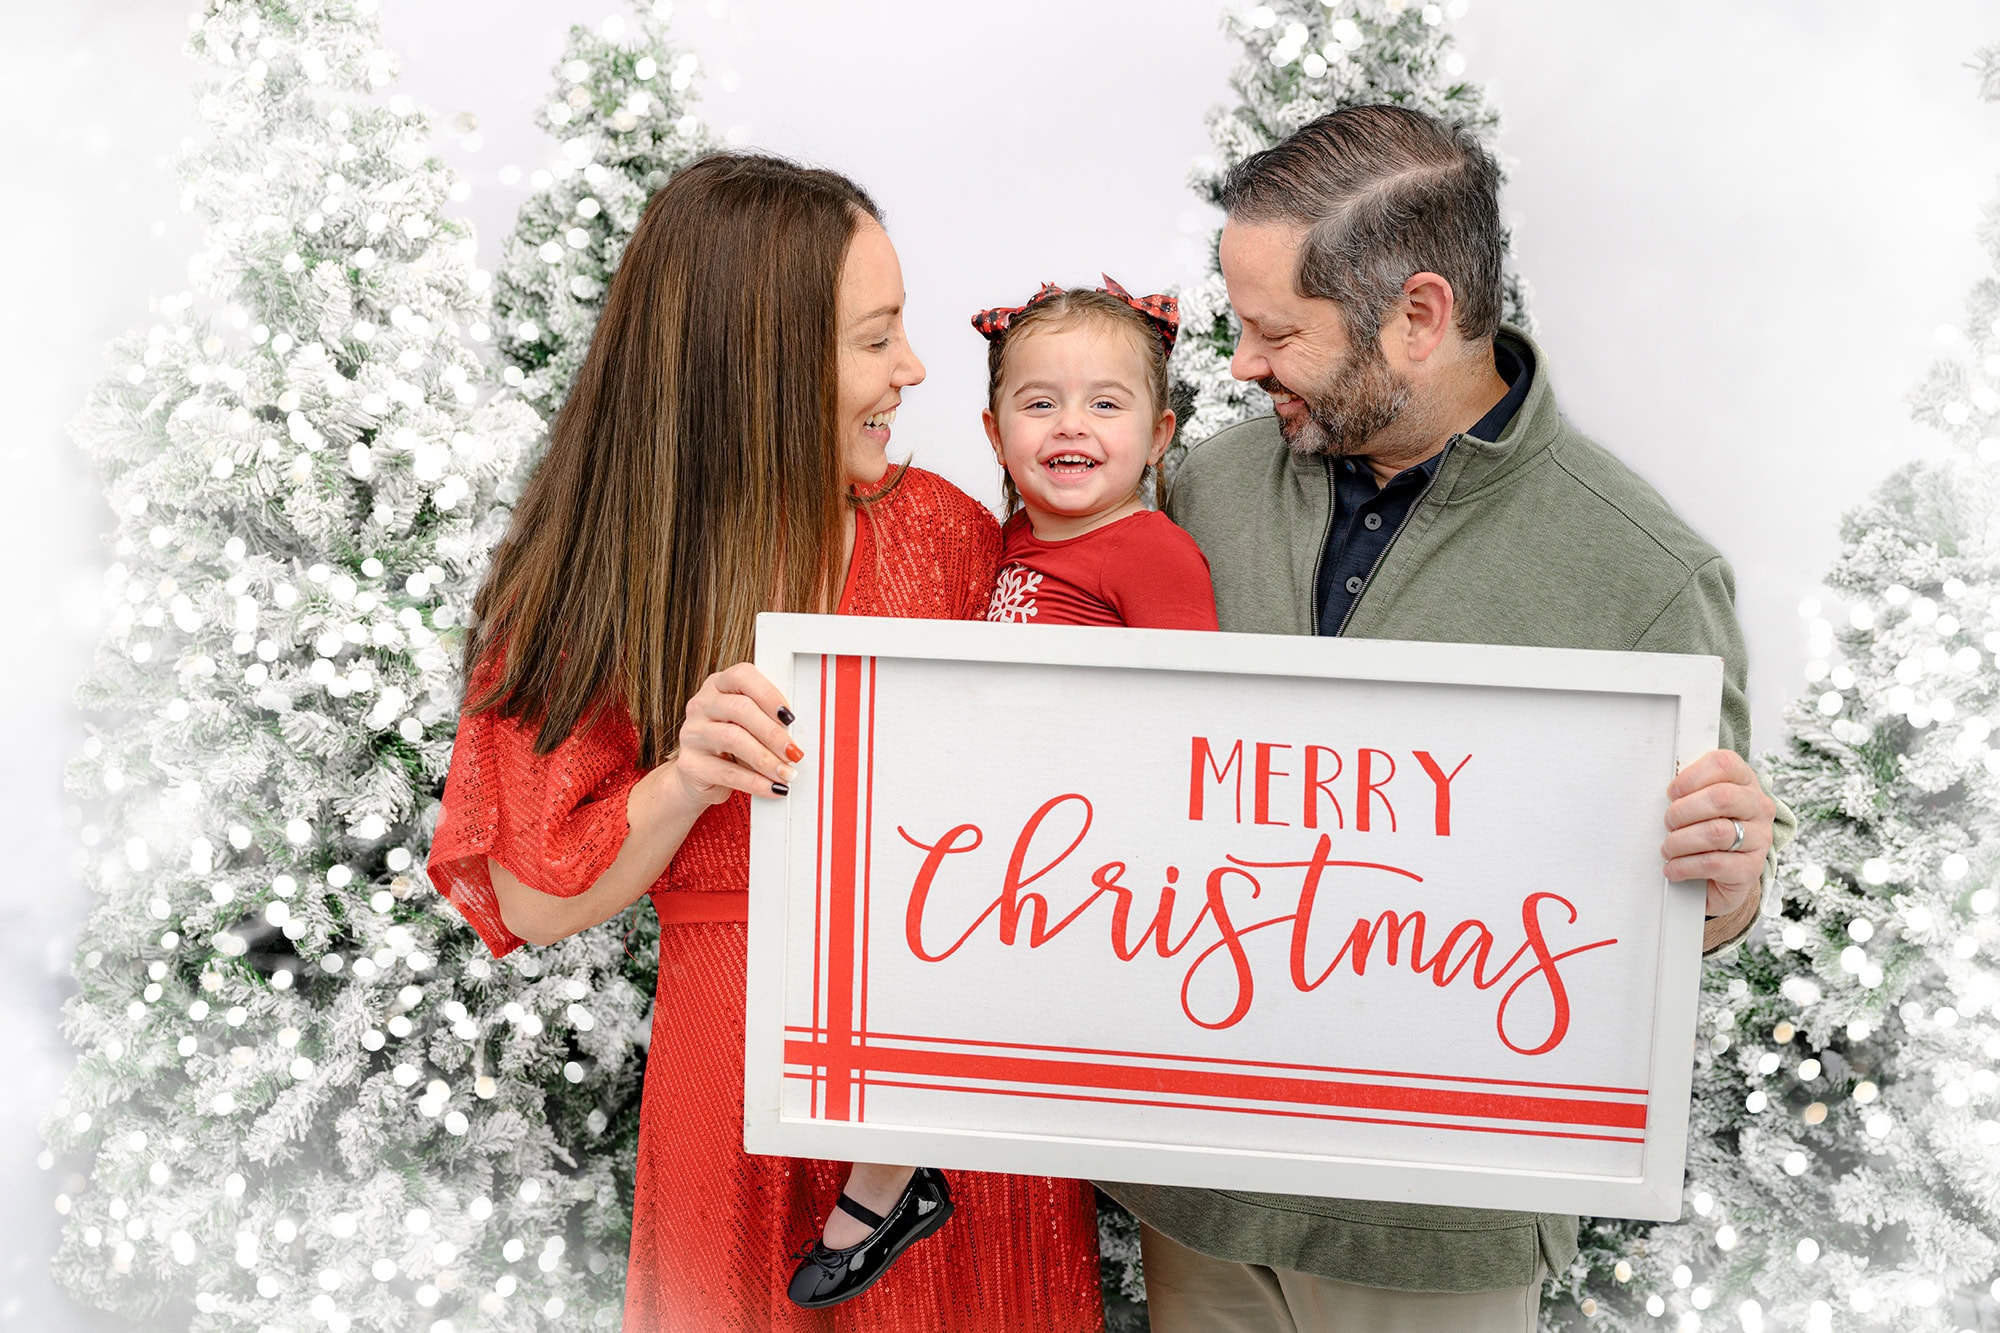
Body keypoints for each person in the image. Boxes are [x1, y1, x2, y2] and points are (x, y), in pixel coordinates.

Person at [1096, 105, 1795, 1332]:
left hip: (1435, 1229)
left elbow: (1681, 919)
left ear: (1416, 318)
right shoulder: (1200, 484)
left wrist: (1725, 885)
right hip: (1195, 1190)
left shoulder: (1641, 575)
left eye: (1273, 333)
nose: (1241, 364)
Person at [424, 153, 1103, 1332]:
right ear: (761, 364)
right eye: (874, 338)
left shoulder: (945, 533)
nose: (912, 370)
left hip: (937, 1104)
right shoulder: (598, 575)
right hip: (732, 1090)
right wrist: (685, 778)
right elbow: (532, 898)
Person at [973, 278, 1218, 630]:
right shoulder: (1005, 538)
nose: (1071, 425)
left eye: (1105, 404)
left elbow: (1192, 683)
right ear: (997, 436)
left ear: (1156, 437)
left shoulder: (1154, 555)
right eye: (1041, 404)